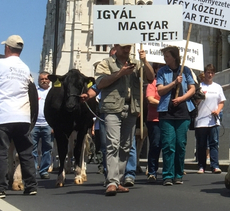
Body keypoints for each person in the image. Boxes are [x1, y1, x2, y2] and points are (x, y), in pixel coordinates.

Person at [82, 43, 152, 196]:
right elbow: (100, 83)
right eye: (124, 47)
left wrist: (145, 61)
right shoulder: (106, 64)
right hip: (112, 108)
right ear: (116, 47)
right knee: (112, 144)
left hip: (131, 108)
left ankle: (117, 180)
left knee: (126, 146)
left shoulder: (136, 63)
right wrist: (120, 73)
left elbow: (151, 78)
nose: (127, 50)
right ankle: (112, 181)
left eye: (129, 47)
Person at [0, 35, 38, 199]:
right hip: (23, 117)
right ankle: (31, 186)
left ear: (7, 48)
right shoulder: (25, 68)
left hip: (2, 116)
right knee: (25, 153)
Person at [156, 46, 196, 186]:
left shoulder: (185, 70)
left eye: (167, 56)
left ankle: (178, 174)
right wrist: (174, 83)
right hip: (167, 112)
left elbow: (192, 88)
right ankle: (167, 175)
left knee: (180, 144)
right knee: (168, 144)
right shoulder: (162, 71)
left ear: (174, 57)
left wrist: (181, 98)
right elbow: (160, 91)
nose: (165, 59)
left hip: (183, 112)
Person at [194, 64, 225, 174]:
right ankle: (201, 166)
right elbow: (194, 102)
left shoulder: (218, 87)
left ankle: (215, 166)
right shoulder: (199, 87)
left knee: (214, 143)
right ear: (205, 73)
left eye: (212, 73)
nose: (210, 74)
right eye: (208, 72)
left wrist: (217, 111)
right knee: (201, 145)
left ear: (214, 74)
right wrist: (199, 98)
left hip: (213, 120)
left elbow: (222, 102)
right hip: (200, 120)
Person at [32, 72, 54, 180]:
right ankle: (33, 170)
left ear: (49, 80)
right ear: (38, 80)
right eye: (42, 79)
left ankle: (44, 170)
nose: (44, 80)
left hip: (48, 125)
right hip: (34, 125)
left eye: (46, 78)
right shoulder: (34, 91)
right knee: (32, 149)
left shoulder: (53, 92)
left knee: (47, 149)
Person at [145, 63, 162, 182]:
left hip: (168, 118)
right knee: (155, 145)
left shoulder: (169, 83)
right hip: (154, 119)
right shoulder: (152, 83)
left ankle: (169, 171)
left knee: (168, 145)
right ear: (156, 70)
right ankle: (152, 171)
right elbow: (150, 99)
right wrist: (164, 104)